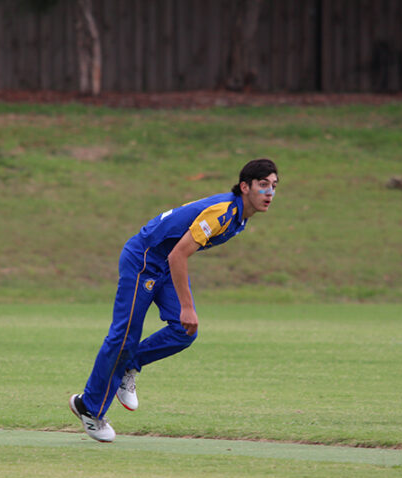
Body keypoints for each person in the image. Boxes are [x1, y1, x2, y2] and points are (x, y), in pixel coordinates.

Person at [70, 158, 279, 442]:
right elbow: (178, 254)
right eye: (263, 185)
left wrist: (185, 310)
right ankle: (88, 407)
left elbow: (176, 254)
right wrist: (187, 306)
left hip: (164, 263)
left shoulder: (240, 218)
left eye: (274, 186)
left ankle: (129, 366)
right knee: (124, 337)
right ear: (245, 187)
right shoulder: (224, 213)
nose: (269, 193)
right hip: (144, 258)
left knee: (184, 331)